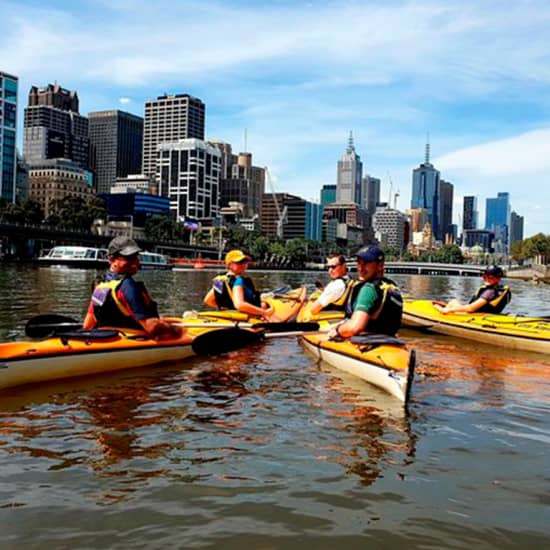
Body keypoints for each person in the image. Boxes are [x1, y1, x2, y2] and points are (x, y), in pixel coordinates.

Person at [82, 236, 182, 339]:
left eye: (136, 257)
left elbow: (88, 325)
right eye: (129, 258)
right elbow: (151, 327)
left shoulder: (100, 284)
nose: (135, 262)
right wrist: (177, 331)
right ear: (112, 260)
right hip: (134, 340)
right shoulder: (128, 287)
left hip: (108, 337)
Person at [328, 245, 403, 339]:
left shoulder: (369, 289)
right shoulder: (392, 287)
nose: (360, 268)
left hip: (367, 344)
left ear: (380, 265)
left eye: (366, 263)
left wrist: (337, 329)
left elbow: (354, 328)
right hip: (390, 340)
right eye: (359, 263)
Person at [203, 249, 275, 320]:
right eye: (239, 262)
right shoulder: (239, 280)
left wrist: (226, 309)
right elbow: (239, 305)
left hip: (230, 315)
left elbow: (208, 300)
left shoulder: (220, 280)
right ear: (230, 265)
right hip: (246, 317)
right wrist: (264, 312)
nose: (243, 264)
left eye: (245, 261)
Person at [433, 265, 511, 314]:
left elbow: (470, 308)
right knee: (454, 301)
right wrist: (446, 305)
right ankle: (448, 306)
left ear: (498, 279)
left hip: (477, 316)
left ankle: (447, 308)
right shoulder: (496, 290)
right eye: (485, 277)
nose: (486, 279)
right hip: (484, 314)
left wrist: (444, 310)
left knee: (452, 303)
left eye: (490, 277)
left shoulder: (490, 292)